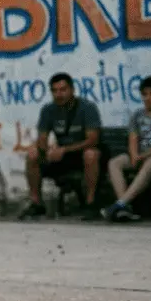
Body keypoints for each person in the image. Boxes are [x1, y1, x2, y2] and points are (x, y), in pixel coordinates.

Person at [19, 73, 103, 220]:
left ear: (72, 90)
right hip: (62, 155)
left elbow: (93, 140)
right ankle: (36, 203)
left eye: (63, 90)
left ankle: (91, 204)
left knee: (91, 154)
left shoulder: (87, 108)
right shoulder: (48, 110)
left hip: (82, 152)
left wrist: (64, 150)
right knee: (32, 155)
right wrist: (45, 149)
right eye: (54, 91)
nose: (59, 94)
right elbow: (42, 138)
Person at [101, 76, 151, 222]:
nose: (148, 98)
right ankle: (125, 206)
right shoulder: (137, 115)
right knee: (115, 162)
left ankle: (120, 204)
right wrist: (134, 156)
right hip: (140, 154)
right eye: (144, 94)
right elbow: (133, 138)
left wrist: (143, 156)